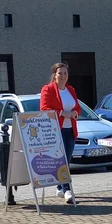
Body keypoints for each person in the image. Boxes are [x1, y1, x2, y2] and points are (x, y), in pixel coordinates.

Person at [40, 62, 81, 204]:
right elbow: (44, 108)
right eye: (60, 73)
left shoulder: (71, 89)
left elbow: (78, 107)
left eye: (65, 73)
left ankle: (59, 187)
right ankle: (67, 189)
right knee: (63, 161)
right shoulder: (48, 89)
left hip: (70, 129)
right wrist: (63, 113)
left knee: (66, 159)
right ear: (54, 75)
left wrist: (74, 113)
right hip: (56, 130)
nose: (63, 76)